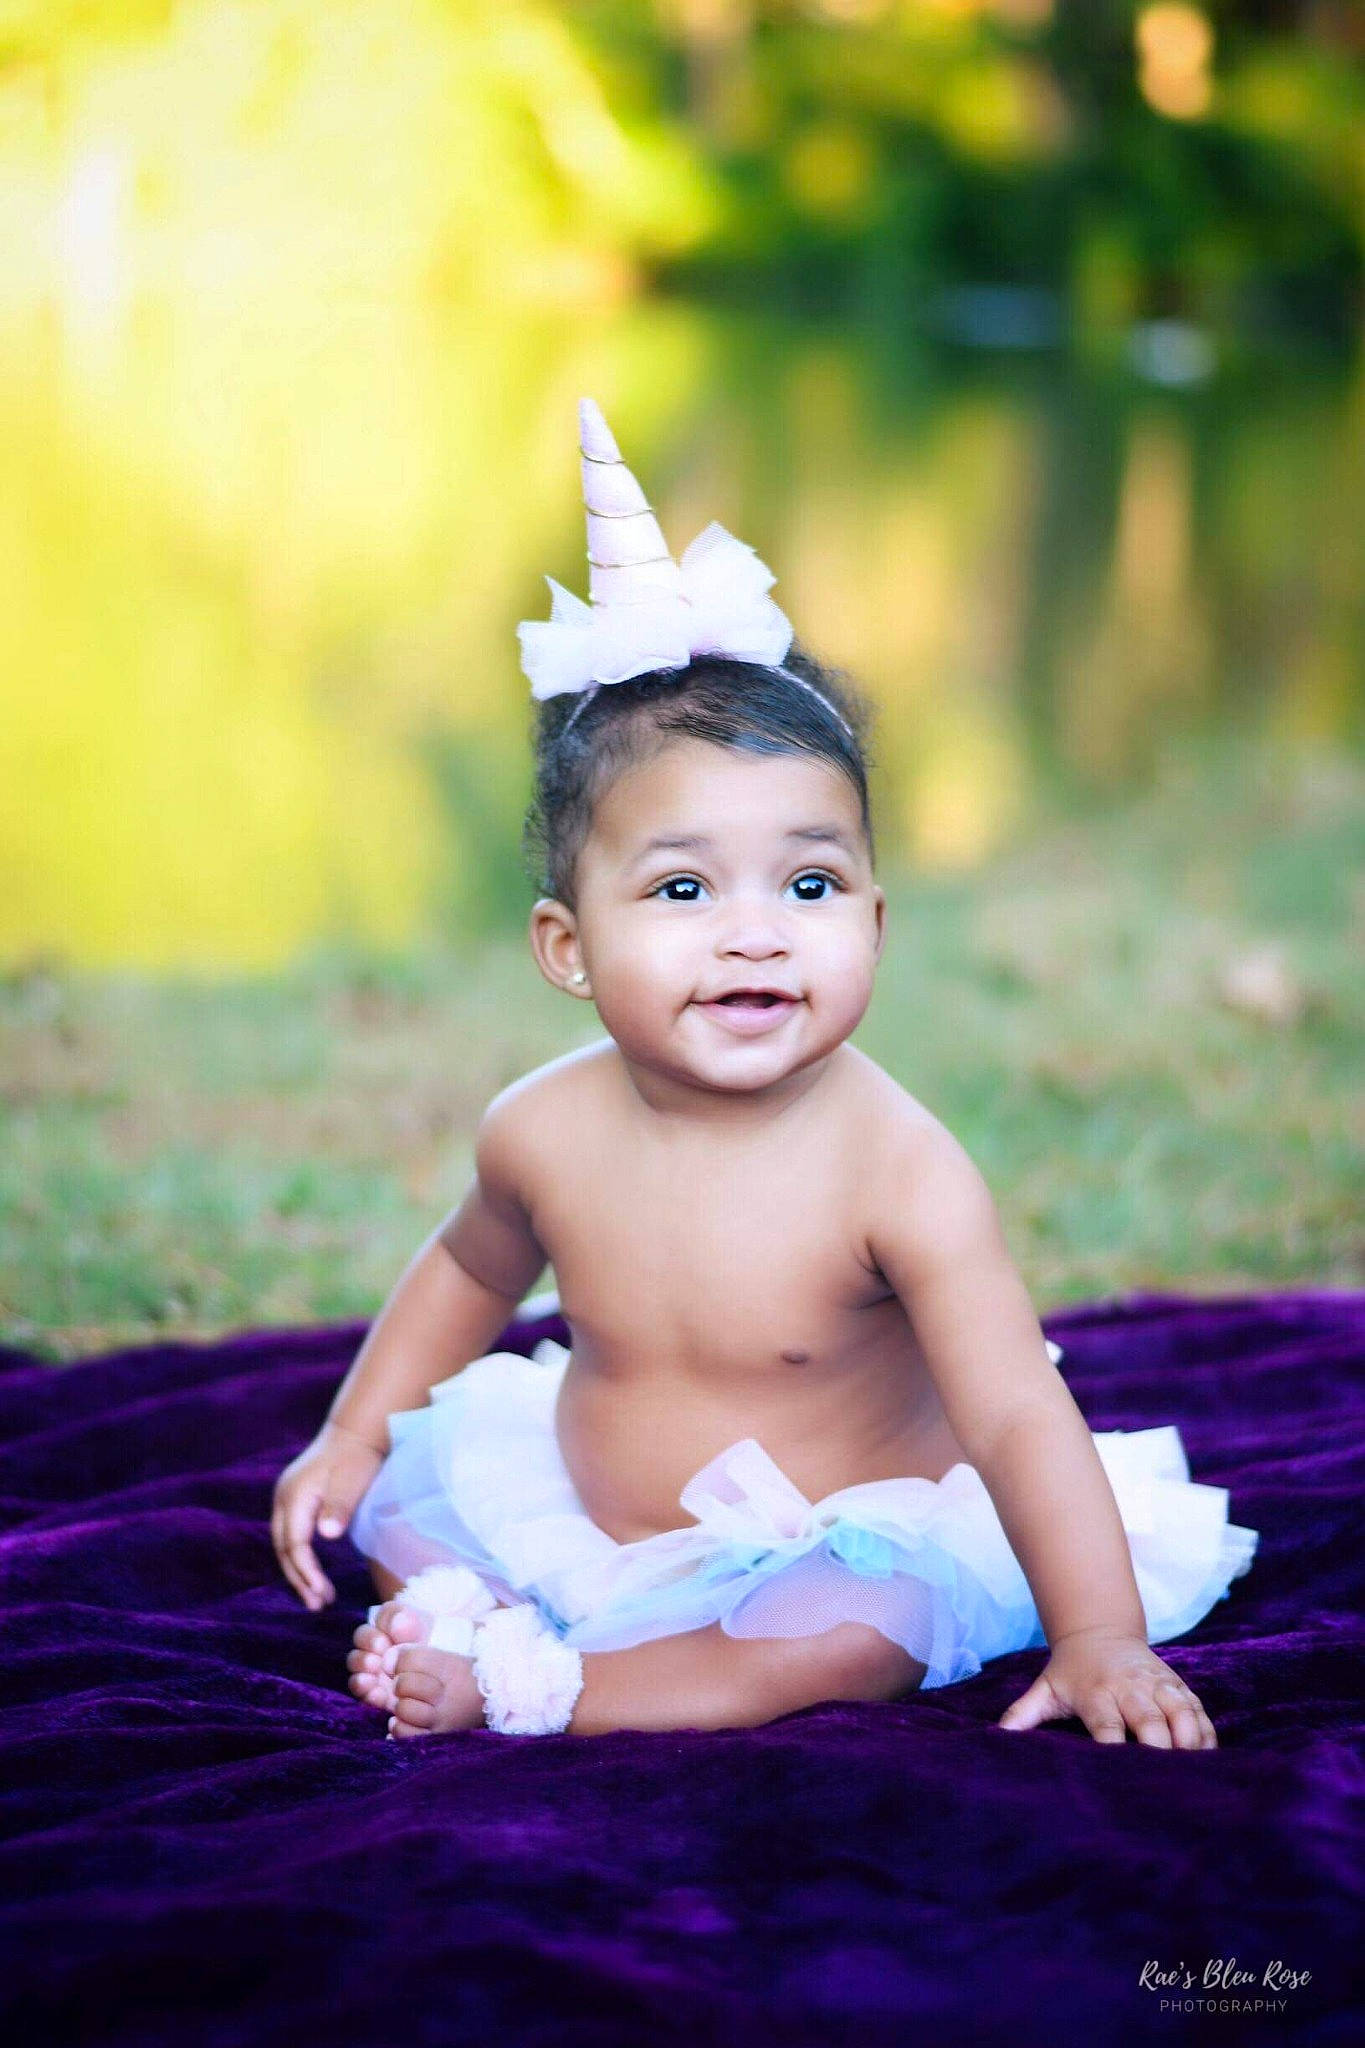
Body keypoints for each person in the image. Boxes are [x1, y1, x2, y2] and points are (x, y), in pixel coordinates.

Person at [271, 399, 1257, 1747]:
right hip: (587, 1518)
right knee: (405, 1508)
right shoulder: (541, 1129)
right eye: (683, 888)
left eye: (808, 883)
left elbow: (1021, 1418)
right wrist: (353, 1431)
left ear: (875, 924)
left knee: (847, 1637)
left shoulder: (894, 1170)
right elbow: (465, 1271)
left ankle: (555, 1692)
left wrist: (1099, 1639)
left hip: (828, 1541)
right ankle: (480, 1613)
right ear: (569, 947)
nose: (755, 933)